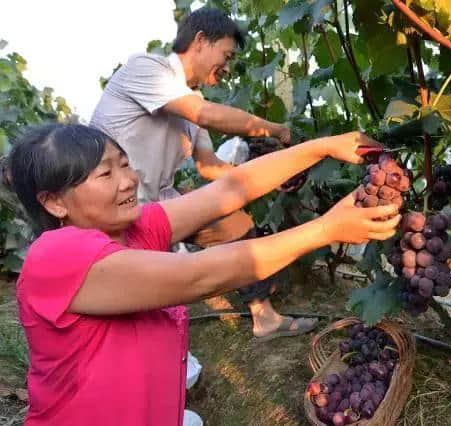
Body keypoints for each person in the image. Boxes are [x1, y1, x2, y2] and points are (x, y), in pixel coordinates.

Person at [10, 123, 400, 425]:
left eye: (124, 163)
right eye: (105, 175)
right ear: (55, 202)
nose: (128, 180)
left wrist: (322, 147)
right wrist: (325, 229)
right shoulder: (56, 256)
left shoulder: (132, 228)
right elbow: (200, 275)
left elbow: (228, 189)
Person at [90, 7, 317, 340]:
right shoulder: (148, 69)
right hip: (112, 205)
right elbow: (205, 114)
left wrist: (269, 176)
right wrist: (276, 130)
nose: (227, 67)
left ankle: (264, 318)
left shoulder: (192, 101)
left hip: (157, 202)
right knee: (138, 304)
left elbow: (209, 165)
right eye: (225, 55)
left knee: (235, 224)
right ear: (199, 41)